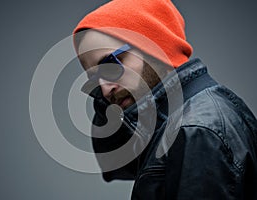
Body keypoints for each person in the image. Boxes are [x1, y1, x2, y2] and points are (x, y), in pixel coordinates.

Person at [72, 0, 257, 199]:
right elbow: (117, 163)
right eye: (93, 76)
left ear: (153, 46)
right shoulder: (176, 120)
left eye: (111, 64)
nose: (105, 88)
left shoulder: (195, 129)